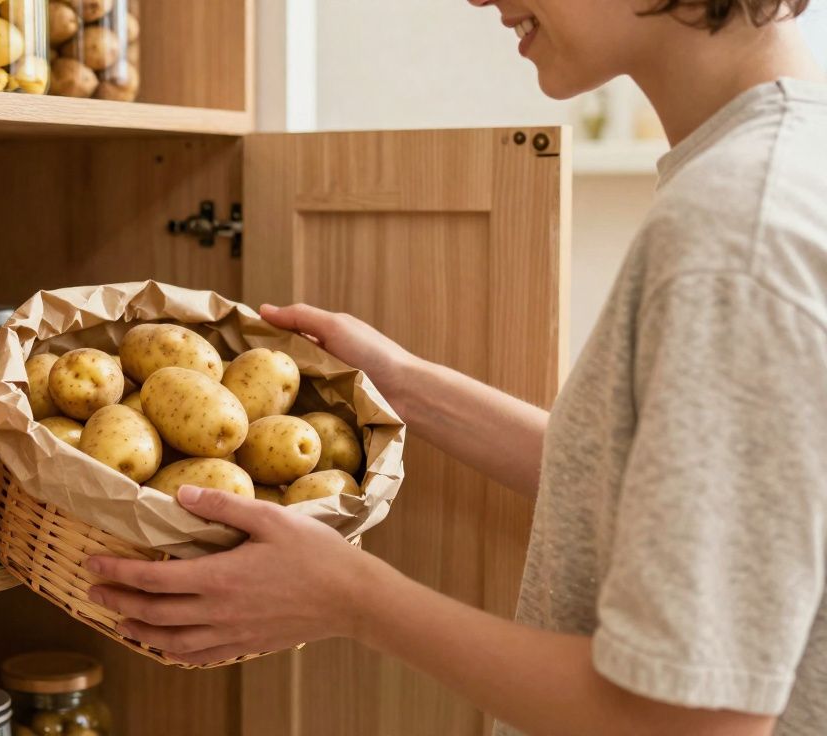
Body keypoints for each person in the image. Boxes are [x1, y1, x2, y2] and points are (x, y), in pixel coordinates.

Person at [84, 1, 827, 733]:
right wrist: (402, 385)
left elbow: (691, 722)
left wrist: (352, 599)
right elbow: (656, 486)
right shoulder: (781, 170)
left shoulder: (735, 232)